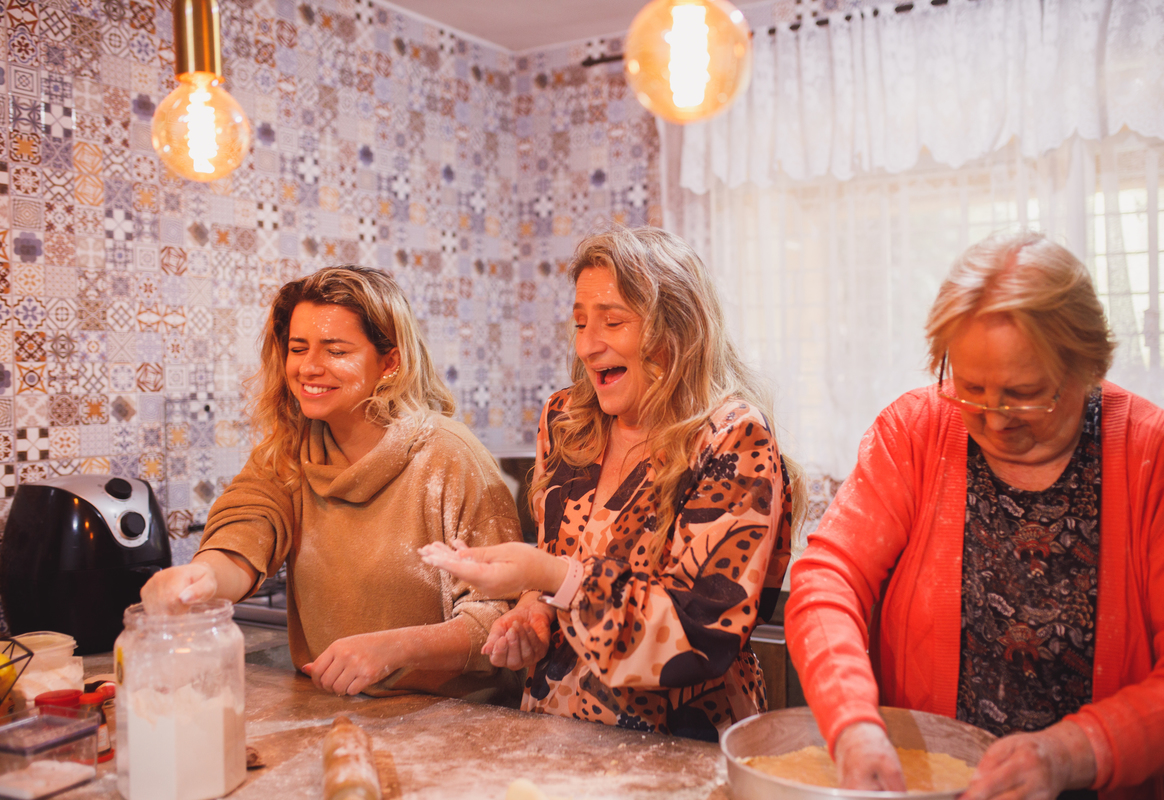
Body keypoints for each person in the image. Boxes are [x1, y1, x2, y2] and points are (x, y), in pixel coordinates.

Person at [785, 231, 1164, 799]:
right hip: (929, 784)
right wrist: (854, 725)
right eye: (972, 388)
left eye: (1024, 393)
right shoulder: (915, 432)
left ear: (1085, 365)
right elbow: (827, 580)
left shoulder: (1162, 457)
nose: (994, 420)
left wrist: (1070, 752)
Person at [420, 227, 801, 741]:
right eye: (580, 323)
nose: (587, 345)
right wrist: (534, 613)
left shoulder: (732, 440)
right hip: (555, 733)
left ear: (678, 329)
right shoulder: (567, 422)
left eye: (613, 322)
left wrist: (552, 576)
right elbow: (560, 564)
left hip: (677, 746)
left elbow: (698, 638)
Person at [141, 265, 523, 699]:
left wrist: (396, 648)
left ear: (389, 362)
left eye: (335, 351)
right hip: (341, 709)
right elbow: (246, 526)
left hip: (458, 721)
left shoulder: (450, 457)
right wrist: (201, 578)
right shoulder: (288, 451)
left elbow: (503, 619)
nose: (308, 367)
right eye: (298, 348)